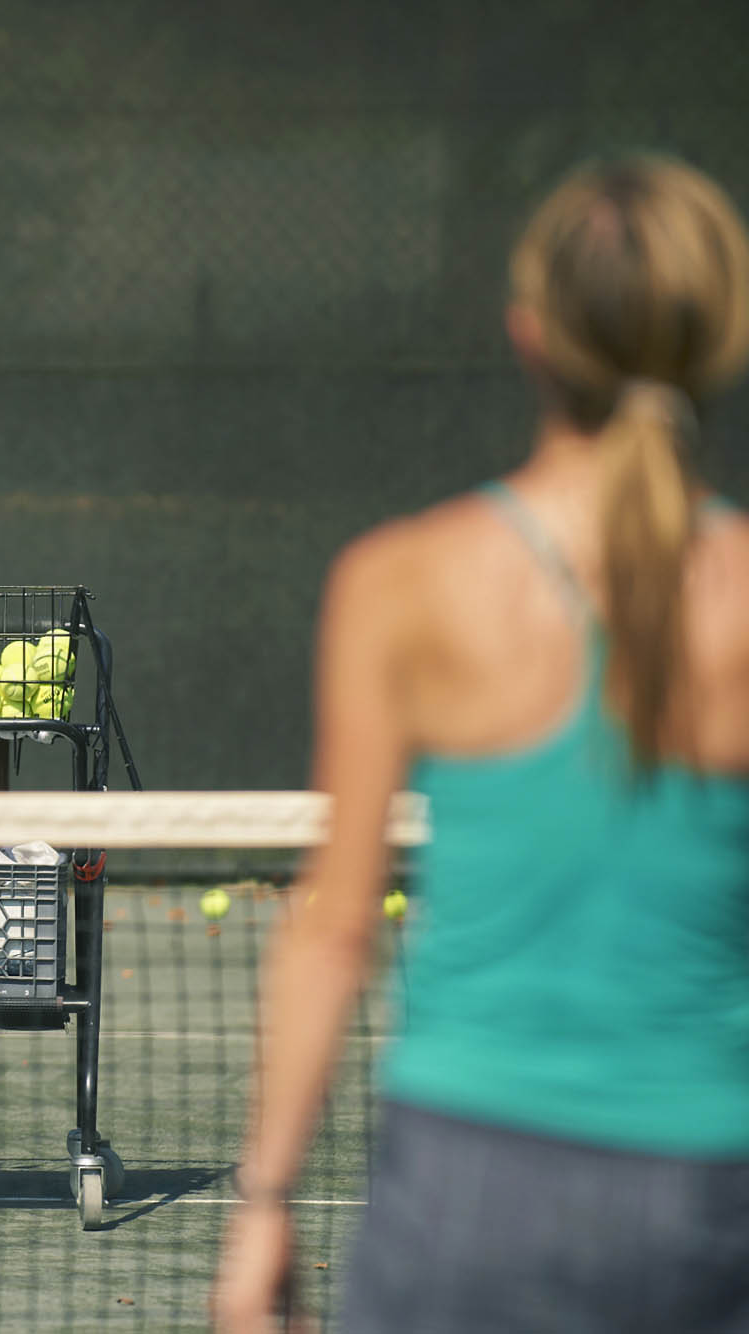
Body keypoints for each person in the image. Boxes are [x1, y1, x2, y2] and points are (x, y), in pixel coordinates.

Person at [213, 154, 749, 1332]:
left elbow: (334, 926)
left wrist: (261, 1203)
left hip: (465, 1187)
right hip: (711, 1192)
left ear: (526, 336)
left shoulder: (400, 582)